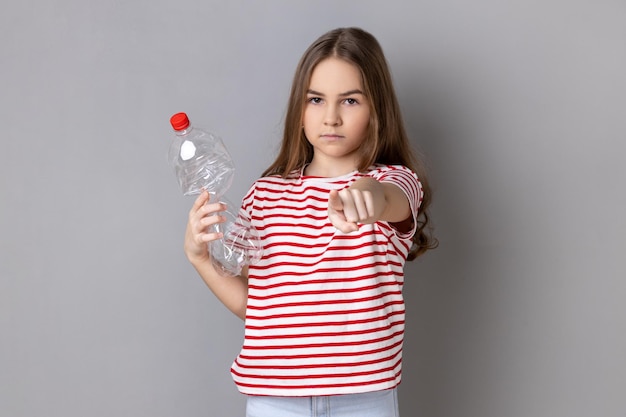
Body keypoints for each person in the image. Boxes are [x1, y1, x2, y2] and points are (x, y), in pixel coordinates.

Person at [183, 27, 436, 417]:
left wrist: (366, 197)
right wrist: (200, 258)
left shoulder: (394, 182)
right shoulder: (265, 195)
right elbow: (257, 306)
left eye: (350, 101)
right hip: (274, 399)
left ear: (377, 110)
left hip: (363, 398)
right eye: (316, 99)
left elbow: (389, 200)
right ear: (299, 109)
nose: (331, 117)